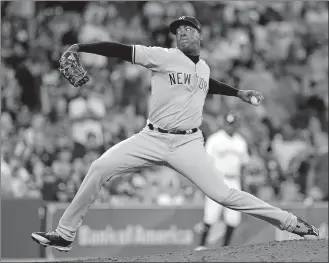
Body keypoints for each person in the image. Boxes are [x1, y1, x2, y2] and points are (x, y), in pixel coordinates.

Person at [31, 16, 319, 252]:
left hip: (188, 144)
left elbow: (208, 82)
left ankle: (290, 223)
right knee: (99, 167)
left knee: (225, 195)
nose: (181, 33)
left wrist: (238, 93)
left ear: (199, 35)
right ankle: (65, 233)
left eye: (187, 29)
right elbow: (120, 49)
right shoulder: (162, 56)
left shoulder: (203, 68)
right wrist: (81, 46)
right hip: (151, 138)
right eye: (177, 31)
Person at [196, 112, 249, 250]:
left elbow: (243, 166)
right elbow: (205, 162)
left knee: (233, 218)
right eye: (228, 123)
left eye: (233, 124)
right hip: (217, 179)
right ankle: (201, 245)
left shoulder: (241, 142)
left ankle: (226, 247)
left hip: (234, 180)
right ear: (224, 124)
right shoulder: (215, 139)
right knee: (211, 215)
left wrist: (244, 186)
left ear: (236, 125)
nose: (230, 127)